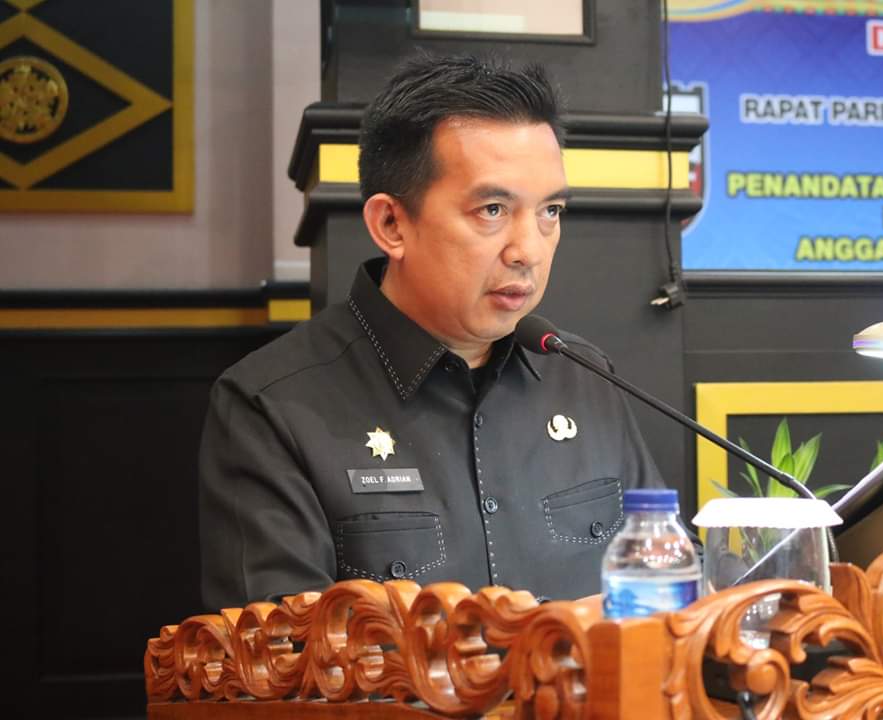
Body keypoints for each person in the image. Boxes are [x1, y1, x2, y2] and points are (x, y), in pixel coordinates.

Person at [198, 54, 663, 610]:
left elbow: (667, 579)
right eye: (493, 210)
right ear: (391, 224)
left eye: (551, 211)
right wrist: (530, 641)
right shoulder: (271, 405)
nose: (530, 251)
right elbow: (282, 654)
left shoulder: (583, 376)